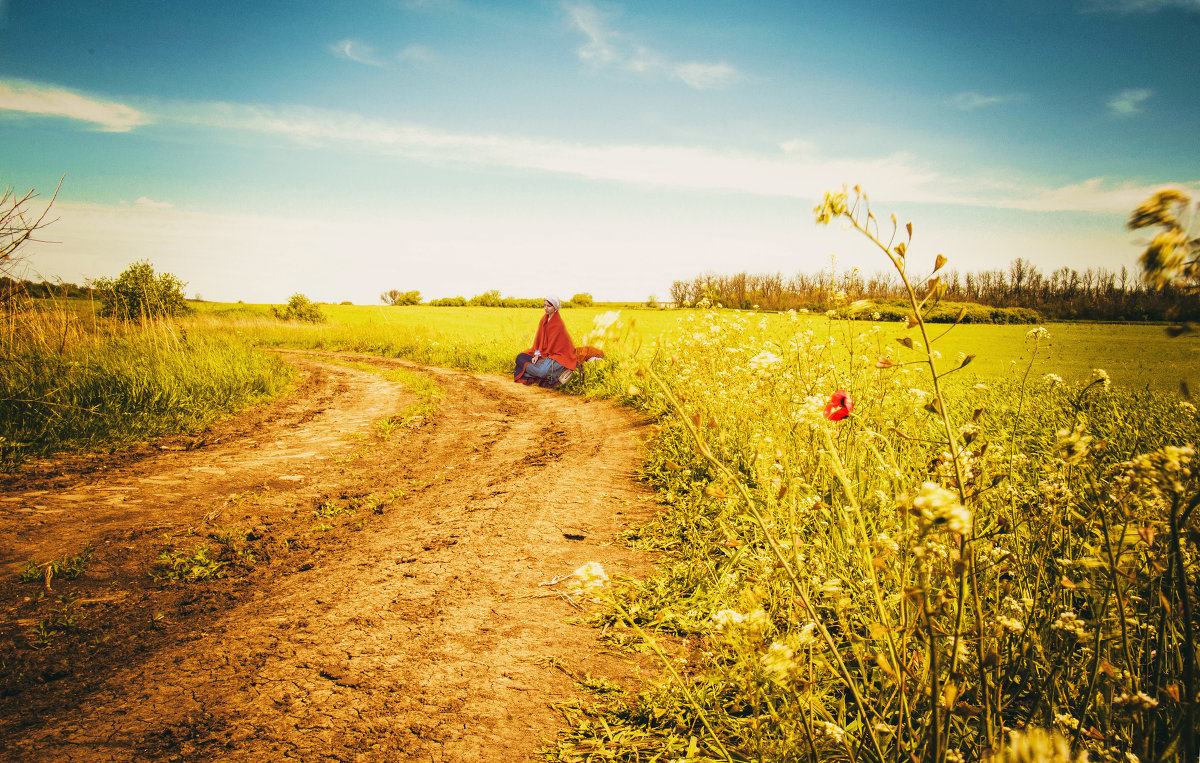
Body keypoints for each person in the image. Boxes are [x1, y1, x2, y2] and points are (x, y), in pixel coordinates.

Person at [514, 297, 578, 387]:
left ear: (555, 307)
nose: (546, 308)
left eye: (549, 306)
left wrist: (544, 356)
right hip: (543, 353)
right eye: (544, 305)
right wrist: (537, 354)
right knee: (520, 357)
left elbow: (557, 346)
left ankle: (552, 374)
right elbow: (539, 339)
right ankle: (549, 375)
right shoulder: (544, 319)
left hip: (557, 355)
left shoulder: (558, 323)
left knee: (541, 372)